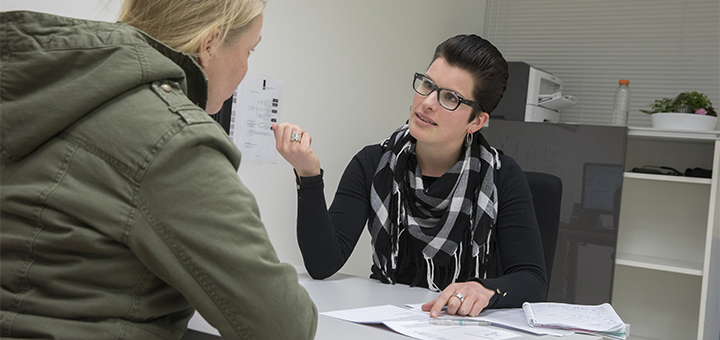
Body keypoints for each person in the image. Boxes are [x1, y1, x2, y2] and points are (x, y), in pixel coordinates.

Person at [0, 1, 317, 339]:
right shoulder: (172, 139)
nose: (245, 68)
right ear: (209, 43)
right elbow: (285, 326)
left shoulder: (33, 94)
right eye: (249, 51)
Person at [273, 34, 547, 319]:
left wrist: (485, 290)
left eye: (450, 97)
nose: (428, 102)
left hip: (465, 327)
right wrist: (308, 175)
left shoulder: (502, 176)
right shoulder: (373, 163)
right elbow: (322, 263)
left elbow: (532, 280)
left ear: (476, 121)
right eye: (428, 84)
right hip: (387, 321)